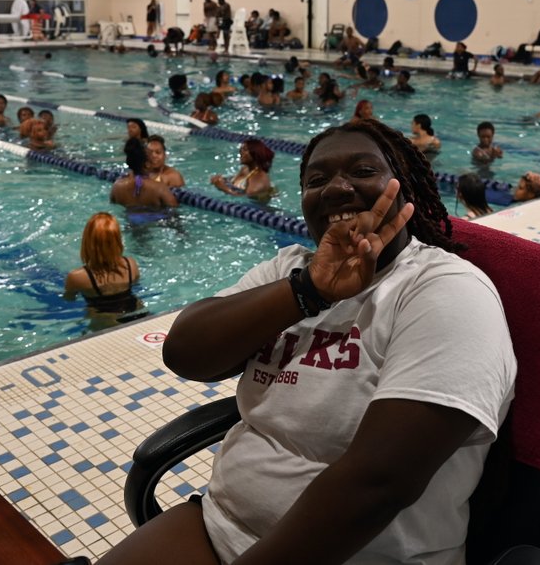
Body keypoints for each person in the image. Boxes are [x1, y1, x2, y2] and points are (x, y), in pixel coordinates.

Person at [97, 119, 515, 565]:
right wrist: (308, 291)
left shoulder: (444, 290)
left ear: (403, 186)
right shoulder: (290, 270)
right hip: (220, 526)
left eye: (362, 170)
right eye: (316, 180)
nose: (337, 187)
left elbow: (378, 486)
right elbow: (185, 352)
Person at [63, 212, 143, 319]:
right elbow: (136, 285)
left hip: (105, 320)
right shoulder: (131, 265)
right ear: (118, 241)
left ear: (87, 242)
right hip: (137, 311)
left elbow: (69, 299)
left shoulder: (77, 277)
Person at [110, 138, 179, 210]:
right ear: (147, 164)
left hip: (129, 220)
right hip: (155, 221)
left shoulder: (117, 187)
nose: (154, 157)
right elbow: (175, 214)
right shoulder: (160, 189)